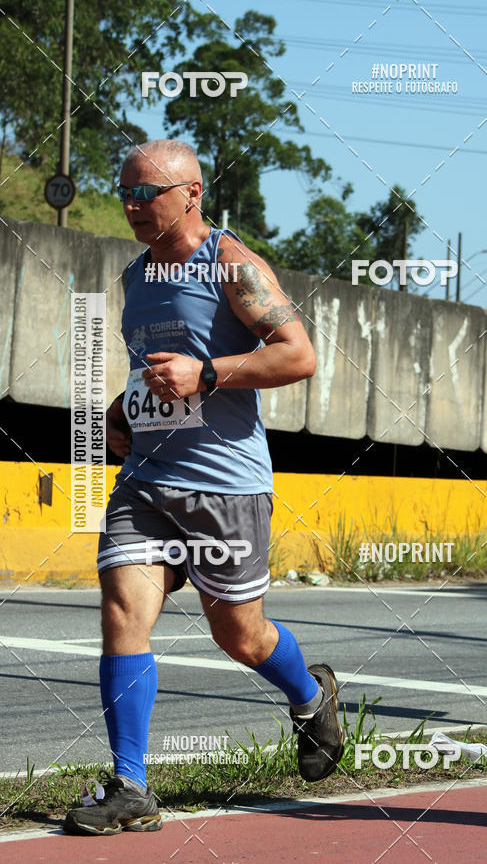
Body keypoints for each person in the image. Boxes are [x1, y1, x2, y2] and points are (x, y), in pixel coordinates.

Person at [64, 139, 344, 836]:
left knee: (238, 634)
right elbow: (150, 367)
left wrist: (208, 373)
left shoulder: (231, 263)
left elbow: (297, 355)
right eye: (125, 191)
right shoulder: (136, 275)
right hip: (148, 481)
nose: (131, 204)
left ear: (192, 193)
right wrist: (124, 410)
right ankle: (131, 785)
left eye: (147, 193)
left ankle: (311, 698)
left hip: (225, 484)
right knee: (122, 611)